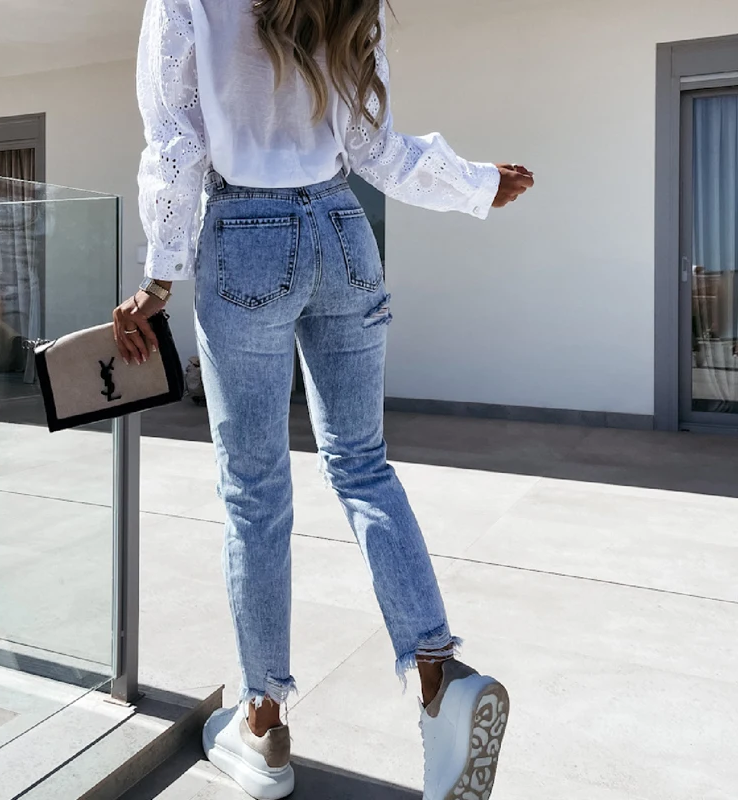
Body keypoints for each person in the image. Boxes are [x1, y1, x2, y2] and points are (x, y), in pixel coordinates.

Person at [114, 1, 534, 798]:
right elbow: (375, 147)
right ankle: (441, 678)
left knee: (255, 490)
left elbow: (176, 142)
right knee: (364, 466)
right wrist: (474, 183)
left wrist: (159, 277)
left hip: (244, 231)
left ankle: (264, 726)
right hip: (344, 228)